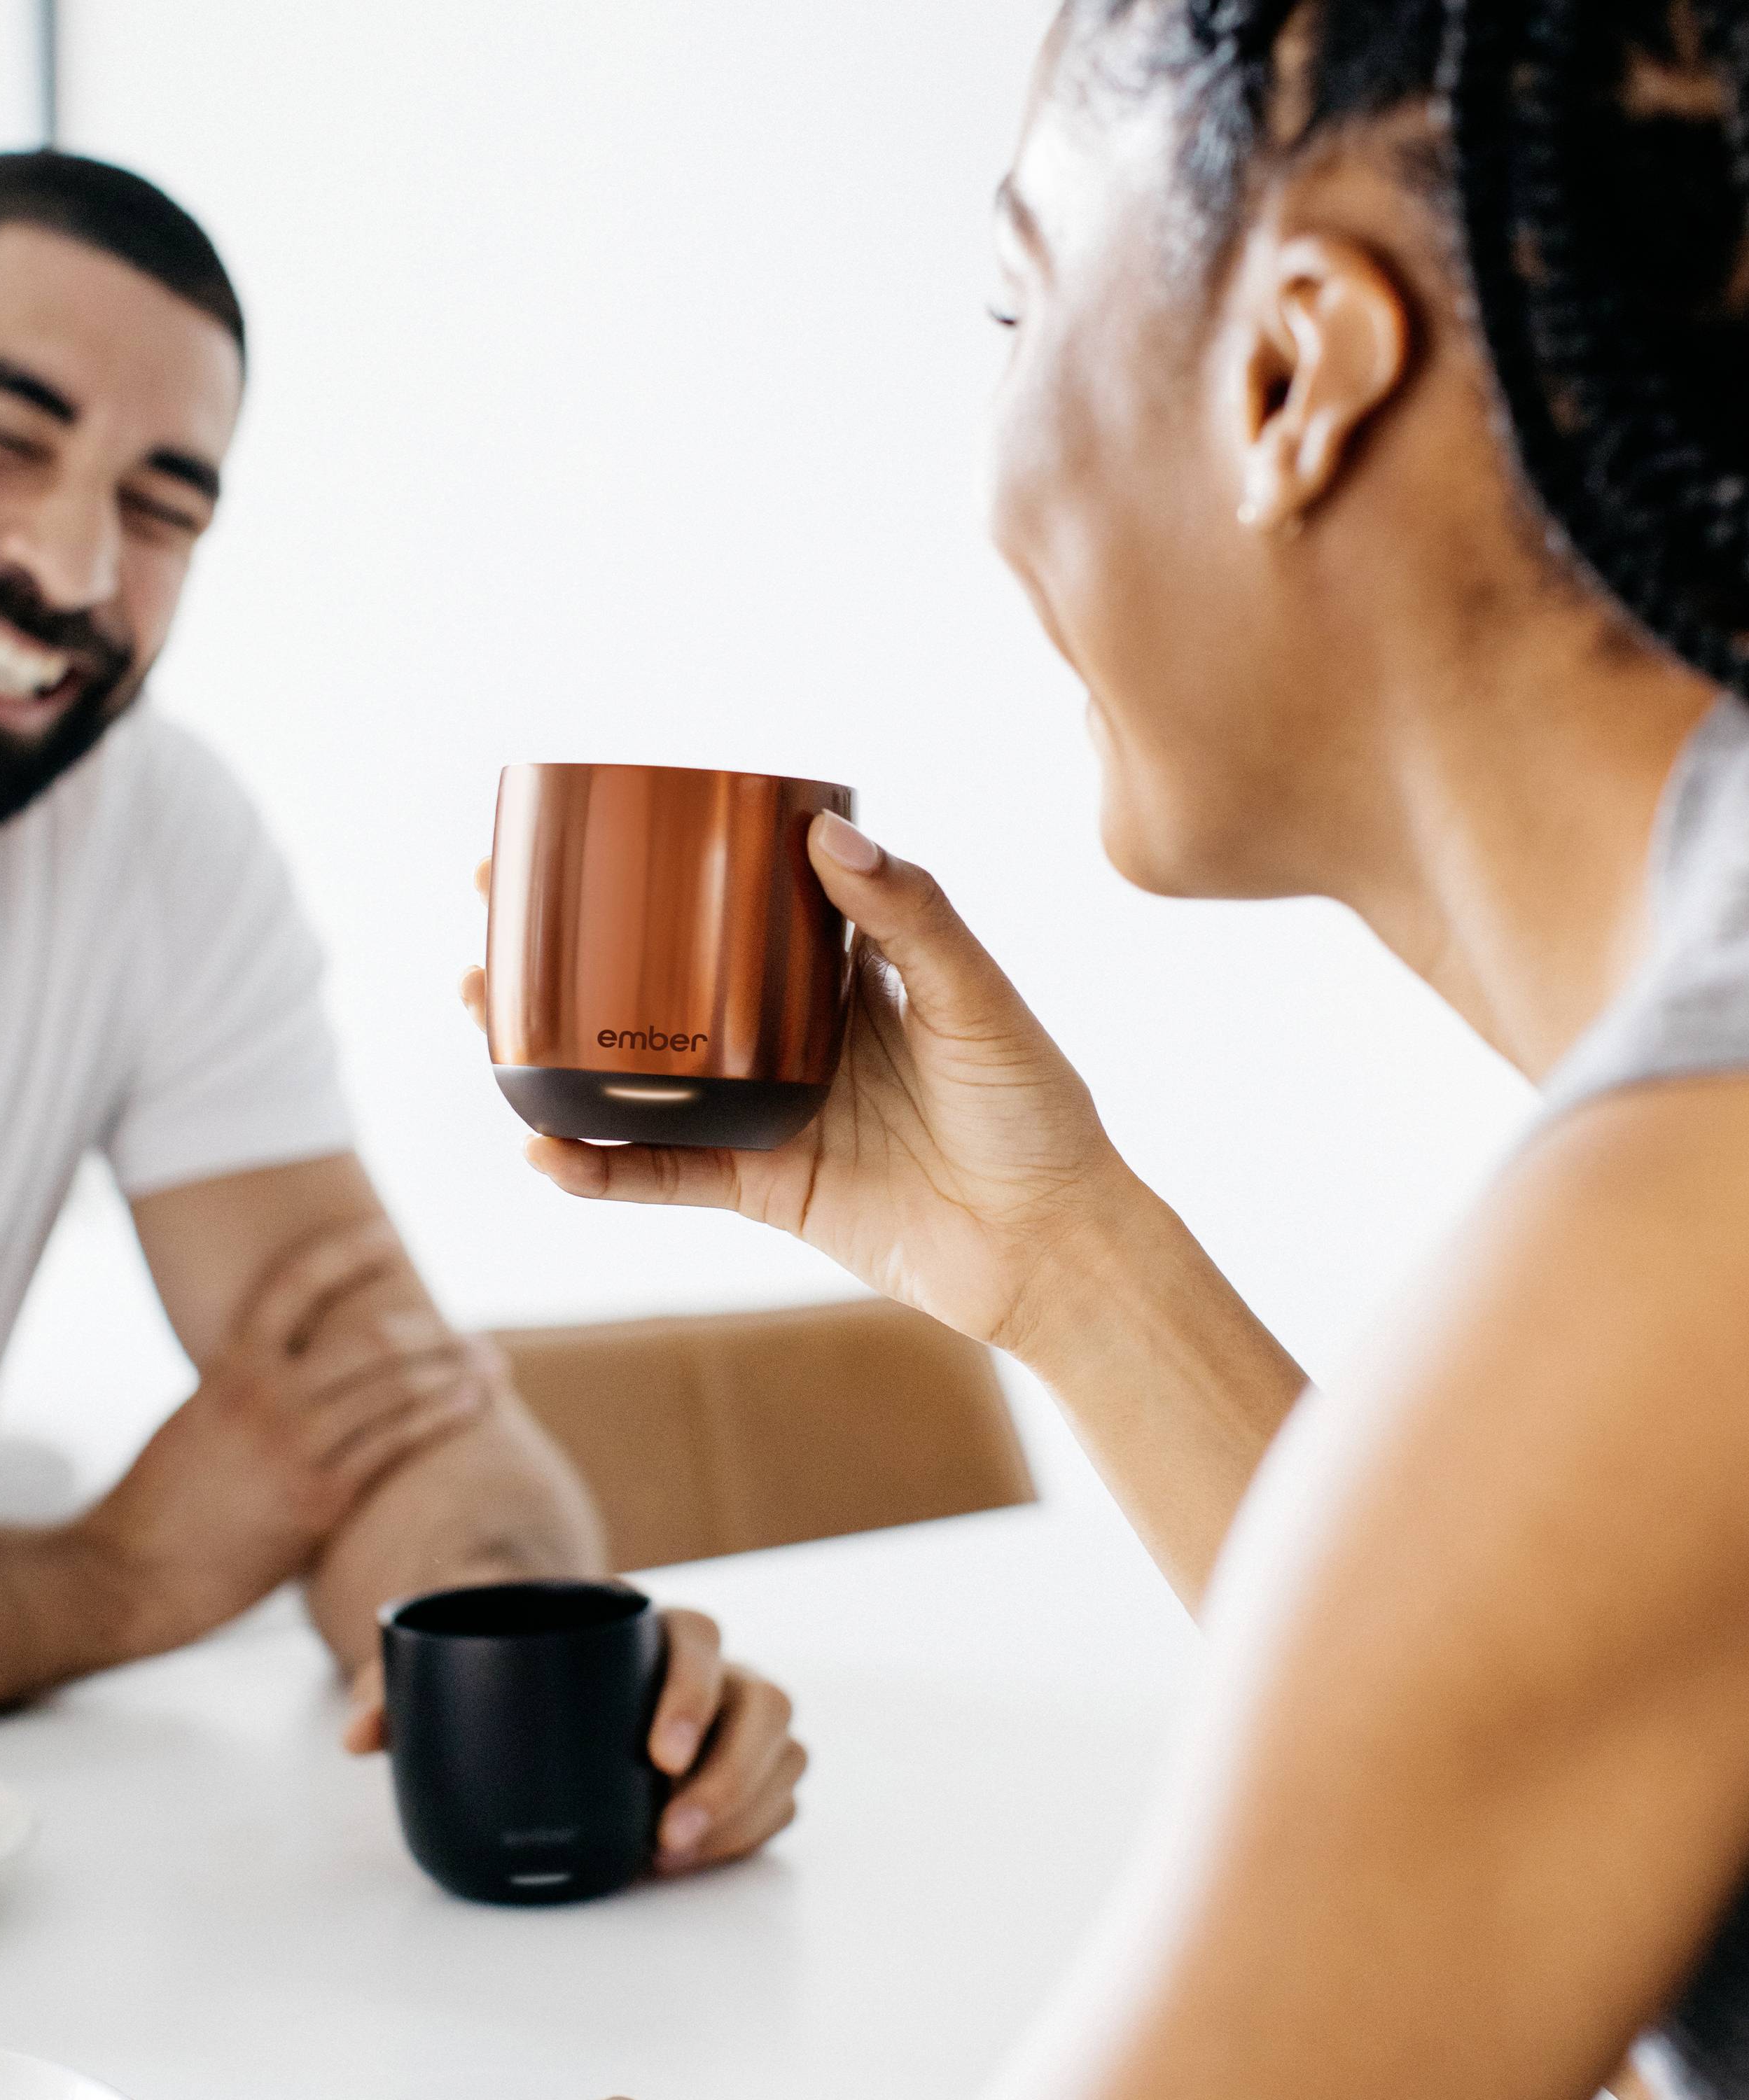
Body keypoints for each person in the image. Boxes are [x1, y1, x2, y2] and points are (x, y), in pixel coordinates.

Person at [475, 0, 1749, 2089]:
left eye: (1013, 300)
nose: (985, 490)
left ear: (1293, 373)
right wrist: (1060, 1252)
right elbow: (1510, 1721)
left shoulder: (1684, 1247)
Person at [0, 150, 803, 1881]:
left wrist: (532, 1656)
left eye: (161, 504)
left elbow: (374, 1411)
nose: (65, 561)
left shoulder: (156, 843)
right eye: (1, 433)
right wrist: (113, 1578)